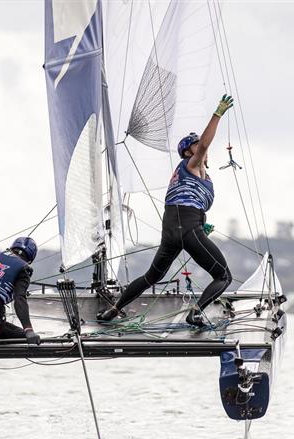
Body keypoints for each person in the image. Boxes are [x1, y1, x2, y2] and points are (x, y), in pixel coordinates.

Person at [97, 95, 235, 327]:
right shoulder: (193, 164)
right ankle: (196, 313)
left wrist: (201, 226)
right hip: (187, 228)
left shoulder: (191, 174)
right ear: (188, 152)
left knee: (153, 276)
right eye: (196, 146)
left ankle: (114, 309)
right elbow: (204, 145)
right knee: (224, 276)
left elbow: (188, 202)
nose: (202, 149)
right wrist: (218, 114)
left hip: (173, 229)